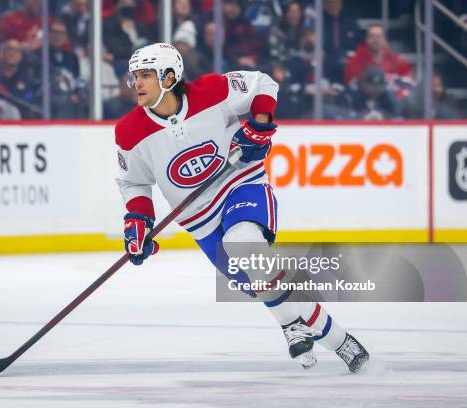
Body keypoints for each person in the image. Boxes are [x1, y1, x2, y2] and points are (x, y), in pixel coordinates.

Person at [114, 43, 369, 373]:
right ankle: (324, 335)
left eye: (146, 75)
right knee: (262, 283)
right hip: (198, 220)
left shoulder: (211, 91)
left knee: (243, 242)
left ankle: (314, 334)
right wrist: (138, 221)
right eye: (135, 76)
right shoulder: (128, 131)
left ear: (169, 77)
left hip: (240, 183)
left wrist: (260, 125)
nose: (137, 84)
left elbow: (262, 84)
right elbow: (132, 182)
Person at [344, 24, 412, 98]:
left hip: (389, 104)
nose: (375, 40)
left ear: (384, 40)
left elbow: (408, 83)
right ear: (366, 39)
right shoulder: (355, 61)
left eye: (379, 36)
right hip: (363, 104)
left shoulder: (396, 60)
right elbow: (350, 87)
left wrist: (398, 96)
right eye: (372, 36)